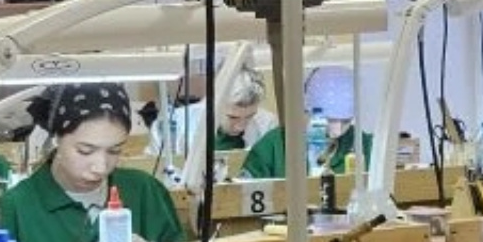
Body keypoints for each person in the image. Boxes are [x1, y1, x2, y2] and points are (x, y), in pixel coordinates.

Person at [0, 82, 185, 242]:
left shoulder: (146, 192)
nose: (101, 167)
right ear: (56, 138)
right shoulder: (14, 210)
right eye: (85, 151)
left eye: (114, 151)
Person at [240, 66, 371, 178]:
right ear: (305, 110)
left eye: (346, 121)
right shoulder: (273, 147)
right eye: (329, 120)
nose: (336, 132)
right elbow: (244, 194)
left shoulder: (365, 145)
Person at [150, 65, 278, 158]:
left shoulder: (268, 125)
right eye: (233, 117)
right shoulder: (172, 127)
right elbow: (156, 173)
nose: (240, 126)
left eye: (250, 116)